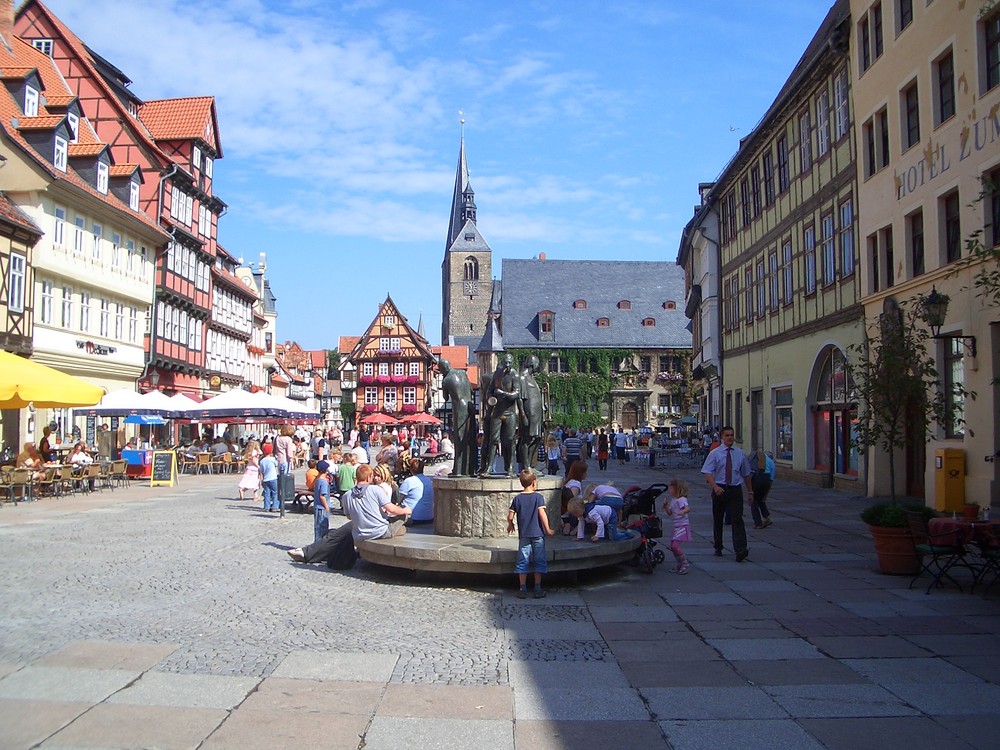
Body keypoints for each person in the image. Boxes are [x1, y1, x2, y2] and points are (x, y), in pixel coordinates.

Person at [701, 426, 753, 561]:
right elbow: (707, 471)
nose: (730, 438)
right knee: (718, 519)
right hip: (720, 489)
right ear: (722, 437)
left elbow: (746, 474)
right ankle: (718, 545)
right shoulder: (715, 453)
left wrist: (750, 492)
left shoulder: (739, 453)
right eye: (727, 435)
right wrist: (715, 487)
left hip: (735, 488)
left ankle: (740, 550)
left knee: (737, 519)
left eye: (732, 435)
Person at [506, 468, 554, 599]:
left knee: (523, 560)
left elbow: (510, 515)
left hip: (524, 535)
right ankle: (537, 588)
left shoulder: (517, 499)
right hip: (538, 534)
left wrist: (511, 524)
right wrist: (548, 529)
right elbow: (542, 514)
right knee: (539, 560)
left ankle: (522, 588)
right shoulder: (538, 498)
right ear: (534, 483)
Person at [344, 463, 411, 540]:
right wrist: (405, 510)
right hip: (380, 532)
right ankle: (401, 530)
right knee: (405, 515)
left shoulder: (347, 495)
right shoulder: (376, 489)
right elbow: (391, 509)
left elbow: (349, 516)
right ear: (369, 477)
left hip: (359, 533)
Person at [480, 353, 519, 477]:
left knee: (510, 440)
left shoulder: (514, 375)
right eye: (505, 363)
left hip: (510, 412)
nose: (507, 365)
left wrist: (502, 393)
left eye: (509, 363)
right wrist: (491, 397)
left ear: (512, 363)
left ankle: (510, 468)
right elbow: (489, 391)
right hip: (497, 412)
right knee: (493, 439)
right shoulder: (497, 374)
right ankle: (489, 467)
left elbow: (516, 394)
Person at [437, 357, 477, 476]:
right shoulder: (462, 373)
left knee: (459, 440)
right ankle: (470, 470)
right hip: (470, 406)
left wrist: (445, 383)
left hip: (459, 408)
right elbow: (471, 390)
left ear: (443, 369)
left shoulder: (446, 379)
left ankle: (458, 471)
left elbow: (445, 398)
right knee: (470, 439)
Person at [515, 355, 545, 472]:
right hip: (529, 412)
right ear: (532, 364)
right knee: (527, 439)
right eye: (537, 364)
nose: (539, 366)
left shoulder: (532, 377)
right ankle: (526, 465)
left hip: (536, 412)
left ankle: (531, 464)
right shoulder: (522, 377)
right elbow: (519, 398)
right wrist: (523, 415)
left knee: (537, 438)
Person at [663, 478, 691, 574]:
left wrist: (682, 512)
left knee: (675, 546)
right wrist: (666, 506)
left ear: (677, 489)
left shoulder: (681, 499)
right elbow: (670, 513)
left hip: (682, 525)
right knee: (672, 546)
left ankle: (684, 563)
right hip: (676, 526)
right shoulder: (673, 500)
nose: (669, 490)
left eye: (671, 488)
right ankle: (679, 563)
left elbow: (687, 508)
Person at [398, 457, 434, 524]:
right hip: (429, 517)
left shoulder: (409, 481)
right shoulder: (429, 480)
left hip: (412, 518)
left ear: (411, 469)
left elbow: (398, 499)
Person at [750, 449, 776, 529]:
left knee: (753, 502)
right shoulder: (772, 463)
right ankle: (766, 518)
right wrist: (766, 494)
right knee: (761, 500)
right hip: (766, 480)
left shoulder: (757, 458)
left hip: (757, 478)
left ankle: (758, 523)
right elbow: (771, 480)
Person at [313, 460, 332, 540]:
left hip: (317, 506)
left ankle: (317, 544)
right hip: (322, 508)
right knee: (323, 528)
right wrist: (326, 507)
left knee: (318, 528)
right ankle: (319, 546)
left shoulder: (317, 480)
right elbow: (322, 496)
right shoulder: (323, 482)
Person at [259, 444, 279, 513]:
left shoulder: (262, 461)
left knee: (266, 493)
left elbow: (261, 471)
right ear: (271, 451)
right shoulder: (272, 459)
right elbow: (276, 466)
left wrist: (261, 480)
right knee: (275, 492)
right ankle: (275, 506)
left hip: (265, 479)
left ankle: (266, 507)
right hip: (273, 478)